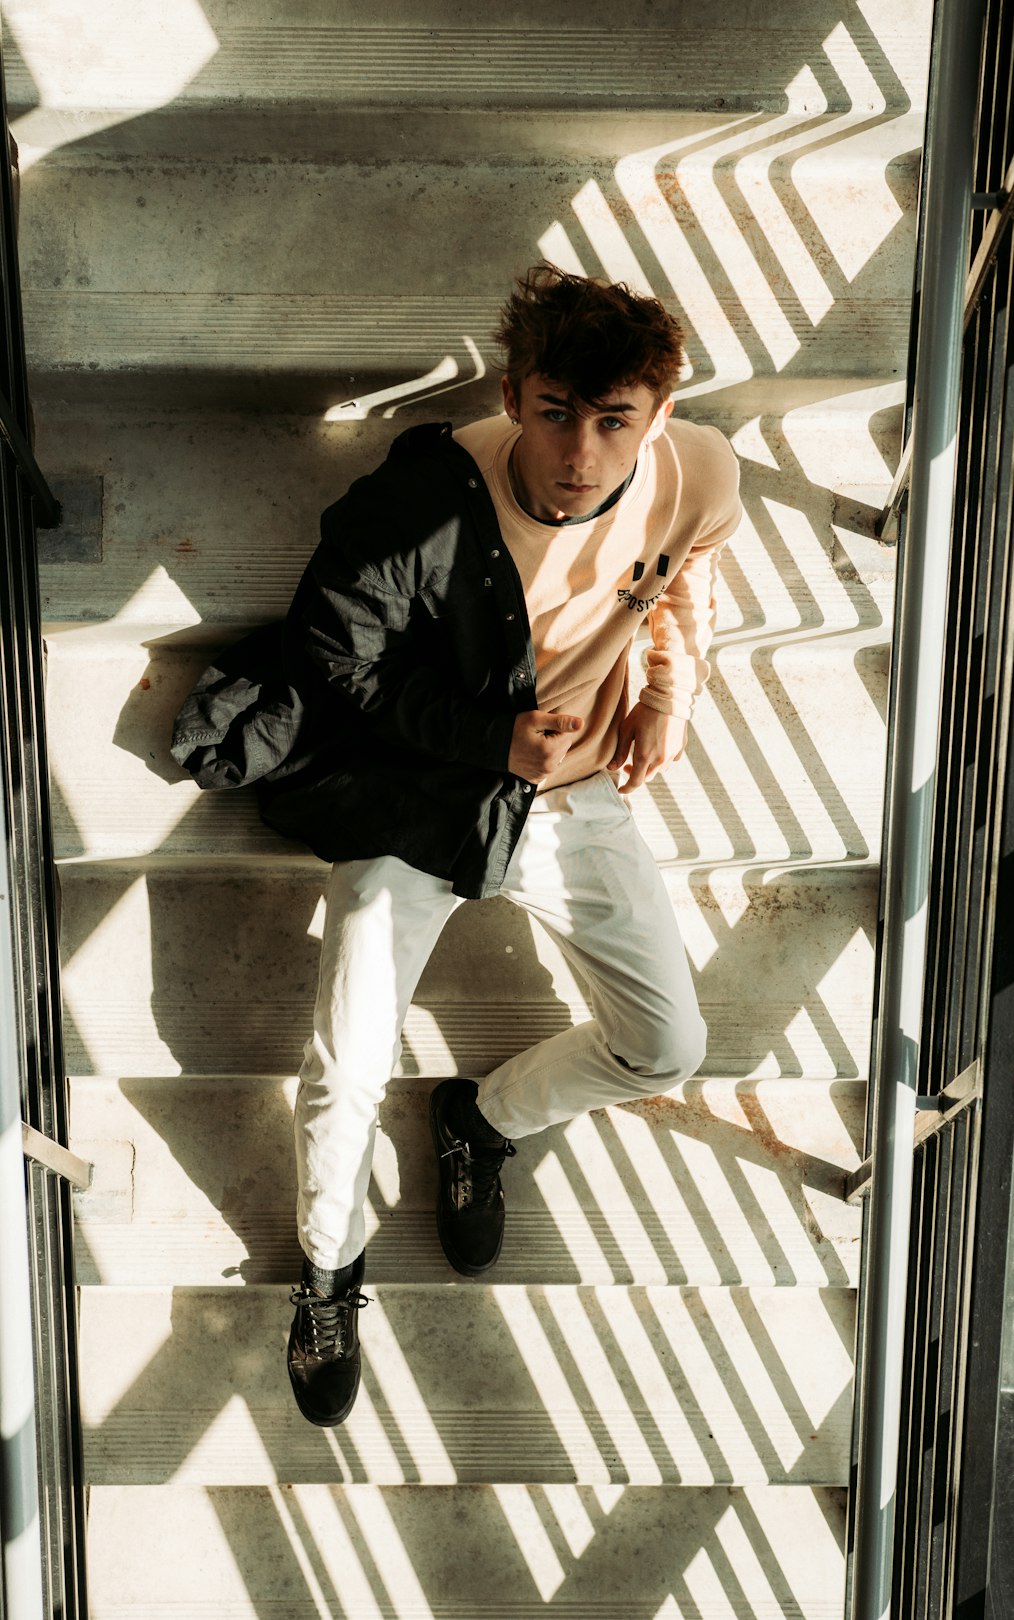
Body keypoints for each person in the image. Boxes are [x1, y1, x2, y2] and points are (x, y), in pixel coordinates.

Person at [280, 265, 742, 1427]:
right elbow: (335, 661)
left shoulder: (697, 470)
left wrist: (668, 696)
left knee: (668, 1045)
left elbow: (687, 574)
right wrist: (489, 739)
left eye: (613, 421)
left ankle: (482, 1120)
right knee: (346, 1066)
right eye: (553, 414)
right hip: (430, 796)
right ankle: (328, 1268)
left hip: (576, 795)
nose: (580, 451)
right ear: (511, 393)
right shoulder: (427, 501)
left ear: (661, 413)